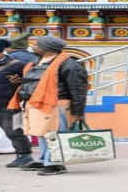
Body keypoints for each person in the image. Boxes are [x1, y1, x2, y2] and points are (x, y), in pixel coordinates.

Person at [7, 36, 89, 175]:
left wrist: (78, 111)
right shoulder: (37, 61)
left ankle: (55, 164)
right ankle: (45, 158)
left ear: (47, 48)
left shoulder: (69, 65)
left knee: (53, 134)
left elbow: (78, 89)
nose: (33, 46)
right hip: (37, 103)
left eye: (37, 44)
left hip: (57, 104)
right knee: (41, 133)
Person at [0, 38, 33, 164]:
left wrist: (20, 83)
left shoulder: (18, 65)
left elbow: (30, 82)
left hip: (8, 106)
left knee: (15, 132)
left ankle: (24, 156)